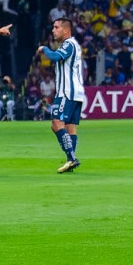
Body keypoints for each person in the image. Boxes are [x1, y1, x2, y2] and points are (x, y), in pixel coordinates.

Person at [37, 18, 86, 173]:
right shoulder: (73, 45)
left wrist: (44, 48)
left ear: (66, 30)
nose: (53, 30)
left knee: (56, 123)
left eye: (56, 27)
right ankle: (70, 161)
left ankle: (71, 158)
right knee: (70, 127)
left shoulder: (69, 44)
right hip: (76, 93)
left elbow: (55, 57)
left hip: (67, 92)